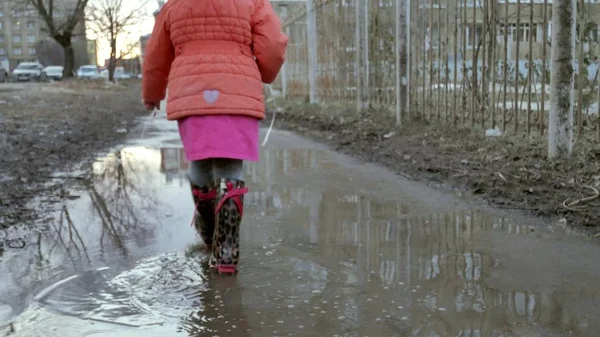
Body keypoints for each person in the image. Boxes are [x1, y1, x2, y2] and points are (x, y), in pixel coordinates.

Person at [142, 0, 288, 274]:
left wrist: (152, 93)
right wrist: (263, 73)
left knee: (199, 160)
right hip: (237, 87)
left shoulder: (175, 4)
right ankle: (227, 253)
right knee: (231, 166)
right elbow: (273, 45)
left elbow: (156, 54)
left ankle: (209, 235)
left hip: (192, 90)